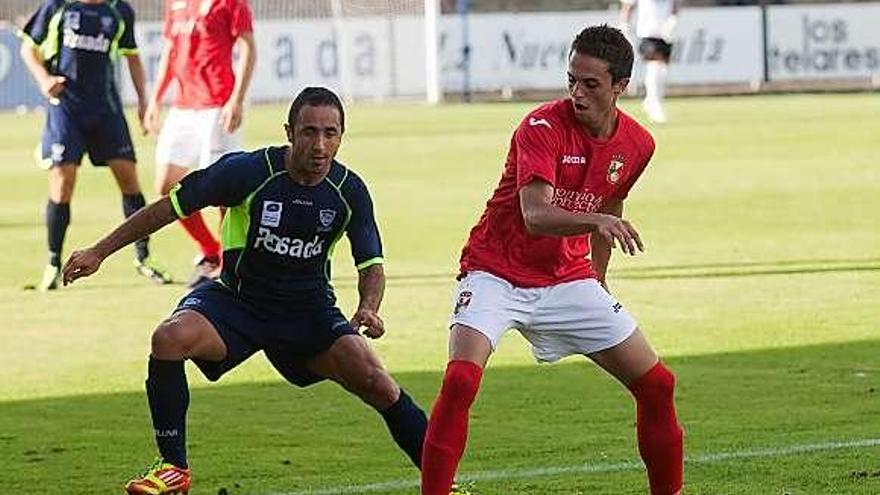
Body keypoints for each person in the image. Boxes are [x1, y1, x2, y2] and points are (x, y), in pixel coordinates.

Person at [63, 87, 429, 495]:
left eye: (331, 133)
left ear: (342, 135)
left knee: (378, 382)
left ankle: (441, 483)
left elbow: (371, 263)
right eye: (309, 132)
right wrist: (99, 251)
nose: (320, 144)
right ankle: (173, 469)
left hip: (308, 311)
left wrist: (369, 308)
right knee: (169, 338)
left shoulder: (349, 191)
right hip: (238, 302)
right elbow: (169, 207)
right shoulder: (247, 172)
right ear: (290, 132)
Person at [420, 25, 684, 495]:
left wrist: (598, 277)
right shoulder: (540, 126)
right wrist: (598, 222)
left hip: (568, 279)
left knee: (658, 384)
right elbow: (536, 214)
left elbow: (612, 202)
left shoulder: (639, 144)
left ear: (620, 86)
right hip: (495, 271)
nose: (576, 93)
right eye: (571, 81)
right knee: (461, 379)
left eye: (591, 84)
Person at [19, 0, 171, 290]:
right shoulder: (58, 7)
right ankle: (53, 263)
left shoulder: (118, 10)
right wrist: (44, 79)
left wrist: (142, 101)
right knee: (63, 181)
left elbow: (133, 57)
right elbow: (28, 48)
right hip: (66, 108)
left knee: (129, 179)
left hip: (106, 109)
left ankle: (144, 257)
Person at [145, 0, 257, 288]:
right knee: (165, 187)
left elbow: (248, 47)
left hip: (217, 106)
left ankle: (226, 263)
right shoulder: (175, 3)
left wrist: (237, 99)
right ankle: (210, 249)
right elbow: (171, 52)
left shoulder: (231, 3)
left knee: (222, 193)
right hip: (182, 108)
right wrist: (156, 98)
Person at [619, 0, 681, 123]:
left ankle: (654, 100)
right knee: (655, 65)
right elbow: (627, 6)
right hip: (647, 33)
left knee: (663, 70)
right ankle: (653, 102)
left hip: (665, 34)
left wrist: (673, 20)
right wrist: (624, 25)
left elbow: (675, 5)